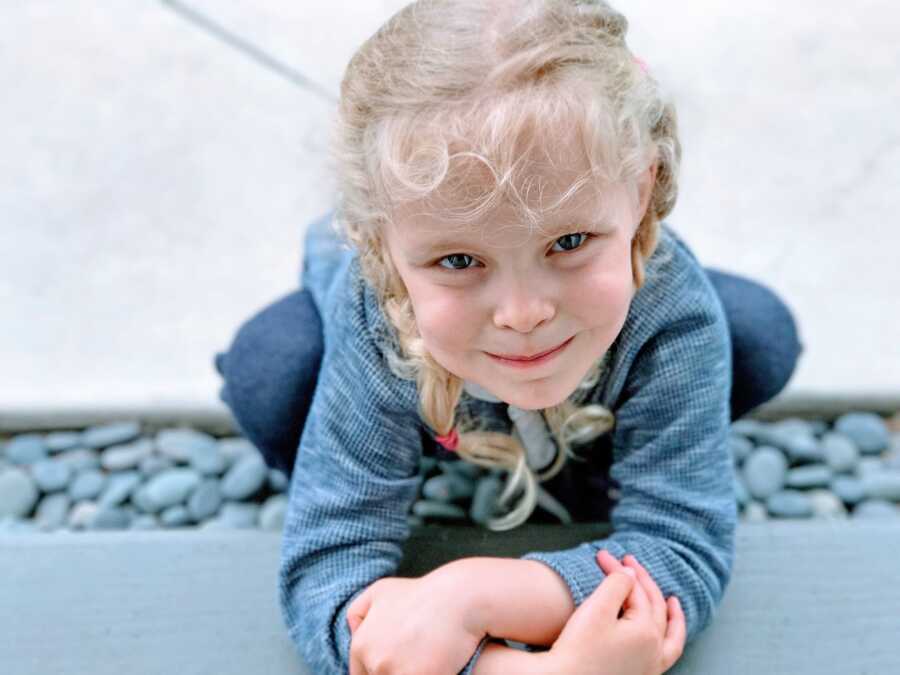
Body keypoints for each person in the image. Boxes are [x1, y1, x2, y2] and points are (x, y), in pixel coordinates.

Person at [213, 1, 805, 673]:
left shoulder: (669, 304)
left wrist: (475, 594)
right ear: (380, 241)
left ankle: (583, 455)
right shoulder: (377, 309)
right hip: (422, 383)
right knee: (272, 371)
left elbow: (683, 546)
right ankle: (404, 450)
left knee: (752, 333)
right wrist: (533, 669)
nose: (522, 314)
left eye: (570, 241)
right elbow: (326, 572)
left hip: (597, 356)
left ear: (642, 191)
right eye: (460, 261)